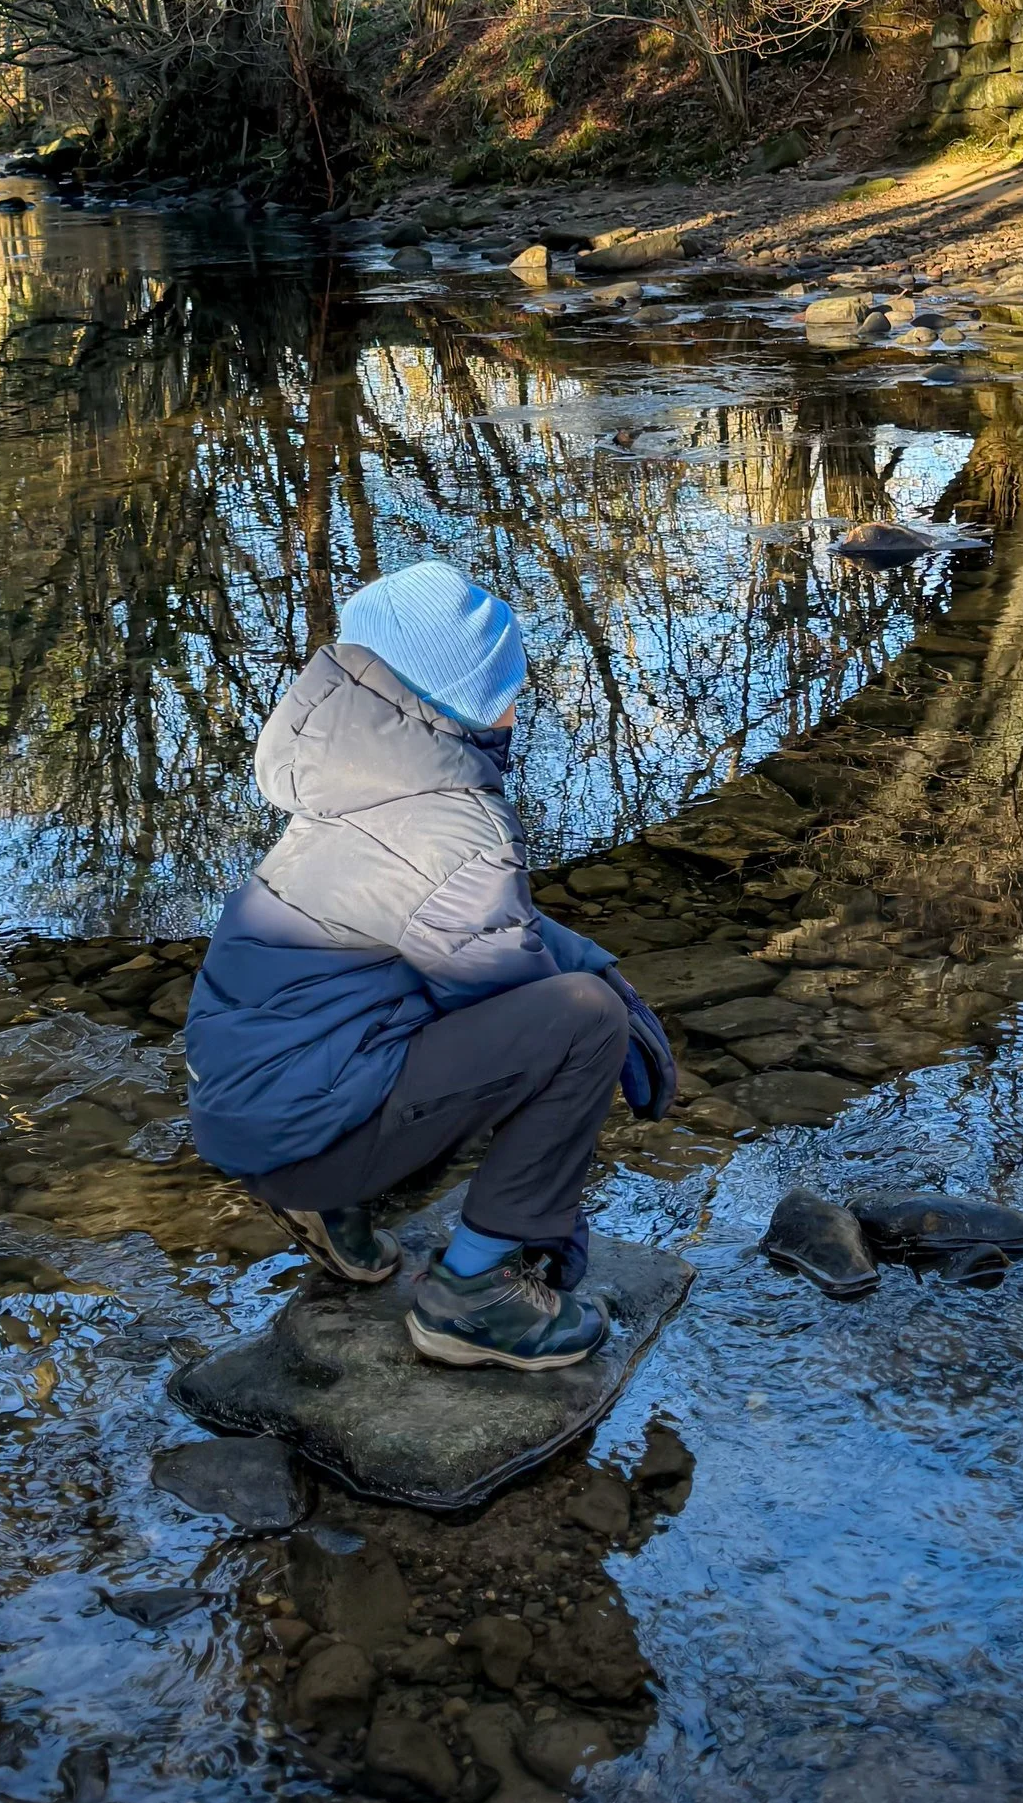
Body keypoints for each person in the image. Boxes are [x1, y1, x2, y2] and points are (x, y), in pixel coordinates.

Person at [185, 559, 676, 1371]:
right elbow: (533, 1012)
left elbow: (475, 925)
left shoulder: (351, 777)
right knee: (587, 1021)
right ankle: (471, 1298)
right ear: (460, 701)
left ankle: (332, 1207)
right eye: (508, 687)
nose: (520, 705)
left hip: (240, 1108)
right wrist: (552, 1224)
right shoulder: (456, 824)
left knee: (515, 997)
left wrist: (601, 960)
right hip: (303, 1133)